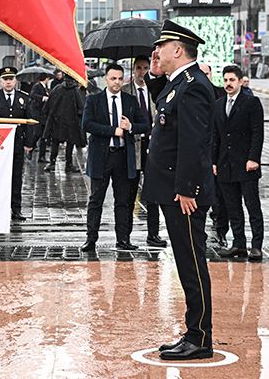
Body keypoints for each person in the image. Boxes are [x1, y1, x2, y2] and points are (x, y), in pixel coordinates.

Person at [144, 20, 215, 361]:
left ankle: (200, 337)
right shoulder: (178, 84)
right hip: (173, 190)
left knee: (191, 264)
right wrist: (155, 72)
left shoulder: (194, 86)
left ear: (178, 49)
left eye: (162, 46)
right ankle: (192, 331)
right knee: (186, 262)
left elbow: (194, 143)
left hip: (184, 195)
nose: (155, 51)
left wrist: (188, 188)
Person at [81, 63, 148, 252]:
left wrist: (130, 127)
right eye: (113, 78)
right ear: (106, 79)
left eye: (120, 78)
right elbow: (87, 125)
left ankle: (123, 239)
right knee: (96, 200)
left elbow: (145, 125)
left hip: (123, 157)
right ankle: (91, 239)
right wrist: (113, 131)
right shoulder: (94, 100)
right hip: (101, 157)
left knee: (123, 201)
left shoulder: (130, 100)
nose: (117, 82)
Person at [213, 65, 265, 261]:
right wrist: (214, 161)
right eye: (225, 80)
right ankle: (239, 244)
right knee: (232, 207)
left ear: (240, 81)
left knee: (252, 206)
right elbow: (215, 135)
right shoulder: (218, 105)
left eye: (232, 80)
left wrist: (253, 158)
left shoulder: (251, 102)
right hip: (225, 165)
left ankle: (257, 245)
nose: (228, 84)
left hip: (246, 164)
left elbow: (257, 133)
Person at [122, 55, 166, 248]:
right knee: (129, 193)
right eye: (138, 68)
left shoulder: (155, 90)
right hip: (132, 146)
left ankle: (153, 234)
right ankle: (125, 235)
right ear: (133, 70)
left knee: (154, 193)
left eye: (145, 68)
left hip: (153, 147)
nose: (142, 72)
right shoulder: (126, 91)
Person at [0, 67, 36, 221]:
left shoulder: (24, 97)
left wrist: (29, 143)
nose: (8, 82)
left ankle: (16, 209)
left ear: (15, 80)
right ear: (1, 81)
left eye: (11, 79)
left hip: (17, 144)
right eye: (5, 79)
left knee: (16, 177)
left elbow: (30, 122)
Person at [200, 63, 229, 248]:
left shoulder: (221, 94)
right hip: (198, 151)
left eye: (206, 73)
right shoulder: (192, 93)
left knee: (220, 196)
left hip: (218, 151)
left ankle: (221, 230)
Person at [43, 76, 85, 173]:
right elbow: (81, 107)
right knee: (70, 144)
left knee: (55, 142)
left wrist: (48, 114)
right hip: (71, 122)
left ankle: (52, 163)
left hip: (57, 121)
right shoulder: (75, 90)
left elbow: (49, 104)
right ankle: (68, 164)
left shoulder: (57, 88)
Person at [30, 74, 51, 163]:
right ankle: (30, 147)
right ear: (46, 78)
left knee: (44, 135)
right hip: (37, 113)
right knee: (38, 133)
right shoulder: (37, 86)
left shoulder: (46, 87)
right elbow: (32, 95)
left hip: (44, 114)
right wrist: (43, 98)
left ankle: (41, 156)